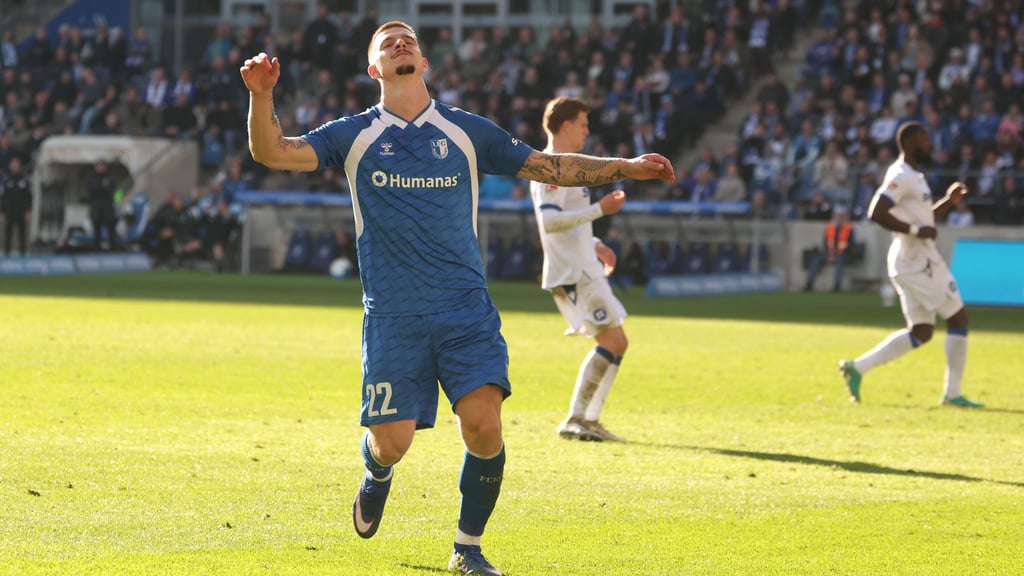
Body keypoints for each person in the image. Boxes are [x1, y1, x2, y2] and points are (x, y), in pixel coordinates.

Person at [239, 21, 674, 576]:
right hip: (395, 316)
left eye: (410, 41)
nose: (402, 44)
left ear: (424, 63)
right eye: (388, 43)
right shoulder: (352, 135)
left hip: (465, 308)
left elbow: (550, 165)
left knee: (484, 425)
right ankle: (377, 472)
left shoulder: (466, 130)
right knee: (392, 443)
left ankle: (467, 548)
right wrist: (262, 96)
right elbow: (272, 151)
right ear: (374, 69)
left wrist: (624, 167)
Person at [839, 122, 982, 408]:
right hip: (918, 261)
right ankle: (952, 393)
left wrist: (948, 202)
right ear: (910, 143)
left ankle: (858, 367)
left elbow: (923, 219)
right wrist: (916, 232)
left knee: (922, 332)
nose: (931, 144)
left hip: (910, 261)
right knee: (958, 318)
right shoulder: (901, 175)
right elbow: (876, 212)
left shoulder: (915, 176)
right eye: (926, 139)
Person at [528, 97, 629, 443]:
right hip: (574, 273)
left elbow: (569, 220)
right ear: (567, 125)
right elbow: (550, 221)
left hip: (584, 265)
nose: (588, 131)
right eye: (583, 124)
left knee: (618, 343)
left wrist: (594, 242)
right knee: (613, 340)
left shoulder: (567, 167)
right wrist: (599, 210)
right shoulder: (549, 168)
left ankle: (589, 419)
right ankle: (576, 418)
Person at [803, 204, 854, 292]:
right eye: (838, 215)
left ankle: (837, 285)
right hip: (829, 253)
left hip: (843, 254)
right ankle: (809, 283)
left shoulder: (848, 227)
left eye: (841, 215)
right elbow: (826, 242)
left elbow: (849, 244)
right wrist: (830, 254)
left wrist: (837, 254)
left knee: (840, 260)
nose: (839, 217)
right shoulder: (830, 226)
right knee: (816, 259)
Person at [1, 156, 32, 256]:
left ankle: (23, 256)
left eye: (17, 166)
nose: (15, 168)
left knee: (22, 235)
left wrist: (28, 210)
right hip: (9, 211)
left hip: (21, 212)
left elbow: (29, 197)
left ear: (20, 167)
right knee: (8, 235)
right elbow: (2, 197)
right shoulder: (6, 180)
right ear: (10, 167)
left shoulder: (24, 180)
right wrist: (1, 211)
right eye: (13, 166)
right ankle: (6, 255)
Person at [86, 160, 118, 251]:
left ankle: (112, 247)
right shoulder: (92, 178)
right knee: (96, 227)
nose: (100, 168)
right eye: (98, 166)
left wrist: (103, 189)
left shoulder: (109, 178)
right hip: (96, 206)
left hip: (107, 206)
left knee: (110, 226)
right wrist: (102, 188)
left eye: (102, 166)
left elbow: (113, 192)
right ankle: (96, 247)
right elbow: (92, 190)